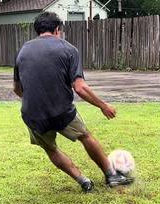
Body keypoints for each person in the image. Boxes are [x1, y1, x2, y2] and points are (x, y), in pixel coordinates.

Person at [13, 12, 132, 193]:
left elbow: (16, 88)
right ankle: (111, 175)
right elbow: (80, 87)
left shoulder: (23, 51)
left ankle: (82, 180)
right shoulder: (68, 49)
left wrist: (36, 100)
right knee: (85, 136)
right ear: (57, 30)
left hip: (32, 114)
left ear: (38, 30)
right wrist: (103, 105)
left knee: (51, 149)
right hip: (61, 111)